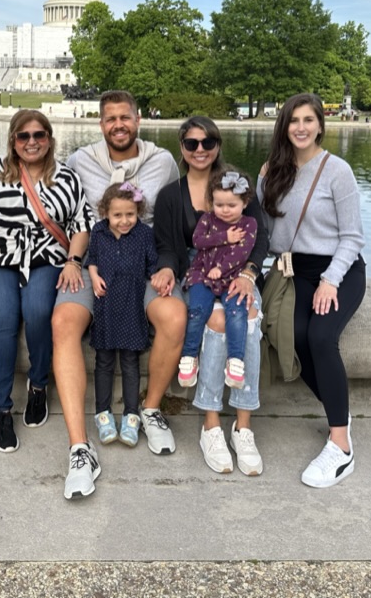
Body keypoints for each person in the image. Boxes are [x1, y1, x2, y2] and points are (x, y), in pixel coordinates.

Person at [52, 90, 181, 500]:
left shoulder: (163, 162)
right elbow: (46, 185)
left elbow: (175, 220)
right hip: (95, 264)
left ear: (138, 120)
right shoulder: (79, 161)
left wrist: (167, 265)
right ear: (101, 123)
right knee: (63, 323)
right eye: (110, 119)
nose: (118, 125)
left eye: (125, 117)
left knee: (174, 317)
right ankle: (79, 447)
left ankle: (150, 409)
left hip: (143, 264)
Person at [259, 93, 366, 488]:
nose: (301, 127)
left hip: (340, 268)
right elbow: (266, 233)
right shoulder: (271, 172)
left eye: (308, 120)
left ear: (321, 125)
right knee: (292, 337)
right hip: (293, 271)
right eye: (293, 120)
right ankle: (341, 410)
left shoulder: (337, 170)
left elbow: (353, 237)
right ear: (284, 126)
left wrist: (330, 280)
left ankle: (341, 446)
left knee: (321, 336)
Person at [0, 110, 94, 454]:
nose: (31, 142)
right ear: (13, 140)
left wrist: (73, 260)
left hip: (48, 258)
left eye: (39, 135)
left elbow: (81, 223)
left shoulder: (66, 178)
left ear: (49, 139)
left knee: (40, 311)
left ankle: (38, 385)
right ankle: (0, 408)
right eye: (23, 136)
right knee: (3, 320)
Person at [153, 117, 267, 476]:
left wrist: (250, 274)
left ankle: (244, 427)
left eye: (207, 142)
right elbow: (168, 245)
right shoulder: (171, 195)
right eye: (191, 143)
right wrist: (169, 268)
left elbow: (259, 237)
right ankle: (211, 424)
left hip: (240, 271)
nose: (200, 149)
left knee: (247, 315)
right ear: (181, 149)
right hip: (200, 273)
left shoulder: (237, 185)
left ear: (217, 145)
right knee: (215, 318)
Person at [87, 182, 157, 448]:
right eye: (117, 215)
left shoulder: (144, 234)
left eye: (130, 214)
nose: (124, 220)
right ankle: (102, 414)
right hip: (105, 304)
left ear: (138, 211)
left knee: (130, 361)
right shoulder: (99, 232)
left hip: (131, 303)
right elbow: (92, 259)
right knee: (103, 361)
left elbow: (153, 265)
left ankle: (131, 415)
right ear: (106, 212)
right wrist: (93, 277)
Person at [179, 168, 258, 390]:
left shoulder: (249, 224)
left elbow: (241, 252)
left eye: (231, 205)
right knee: (197, 310)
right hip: (202, 274)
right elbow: (197, 241)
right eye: (219, 204)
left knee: (236, 310)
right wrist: (225, 237)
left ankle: (235, 359)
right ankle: (189, 355)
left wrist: (221, 269)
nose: (224, 210)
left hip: (231, 277)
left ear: (245, 202)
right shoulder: (207, 219)